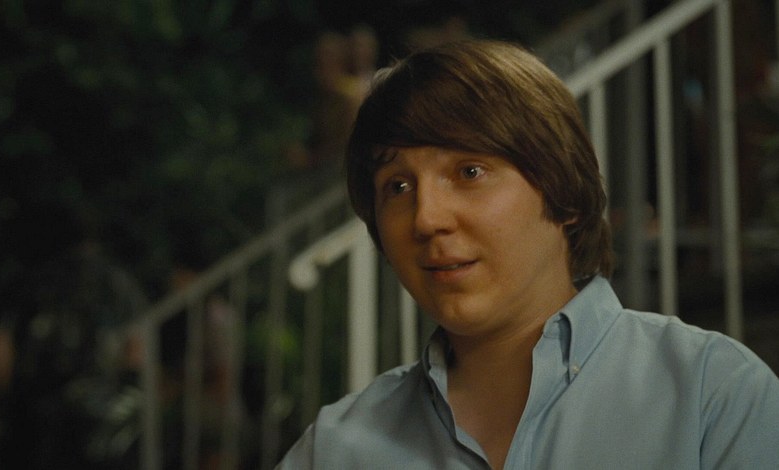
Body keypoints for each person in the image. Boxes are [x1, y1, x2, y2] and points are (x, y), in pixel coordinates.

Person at [276, 40, 779, 469]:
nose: (426, 218)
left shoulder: (711, 395)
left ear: (563, 190)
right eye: (398, 186)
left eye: (469, 172)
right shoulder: (337, 448)